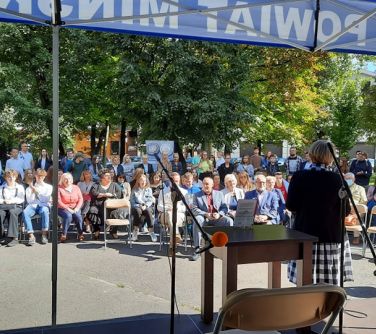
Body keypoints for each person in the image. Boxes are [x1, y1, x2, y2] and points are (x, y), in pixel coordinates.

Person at [286, 140, 353, 285]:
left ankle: (305, 307)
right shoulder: (338, 179)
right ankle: (330, 307)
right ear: (331, 156)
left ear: (311, 154)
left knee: (304, 284)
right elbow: (345, 211)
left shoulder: (299, 177)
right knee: (328, 288)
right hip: (331, 237)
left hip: (305, 234)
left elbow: (291, 206)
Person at [191, 177, 232, 261]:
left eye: (207, 184)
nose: (205, 186)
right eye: (204, 184)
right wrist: (206, 214)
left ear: (212, 185)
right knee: (198, 219)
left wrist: (219, 214)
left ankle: (227, 247)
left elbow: (224, 208)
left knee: (229, 221)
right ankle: (197, 249)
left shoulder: (219, 194)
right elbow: (194, 209)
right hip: (204, 219)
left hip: (216, 219)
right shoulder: (197, 195)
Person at [88, 169, 122, 240]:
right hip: (98, 206)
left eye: (110, 175)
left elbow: (119, 194)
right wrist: (104, 194)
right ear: (102, 177)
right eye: (107, 175)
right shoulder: (96, 185)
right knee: (92, 210)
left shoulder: (114, 185)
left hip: (111, 206)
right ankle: (96, 231)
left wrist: (112, 195)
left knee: (116, 212)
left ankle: (113, 232)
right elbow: (93, 193)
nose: (109, 177)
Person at [23, 169, 52, 245]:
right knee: (25, 212)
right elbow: (29, 201)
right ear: (35, 176)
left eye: (41, 176)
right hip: (33, 205)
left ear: (44, 176)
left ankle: (44, 234)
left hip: (43, 205)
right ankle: (31, 235)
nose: (39, 177)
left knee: (45, 211)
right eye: (37, 175)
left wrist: (36, 191)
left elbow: (45, 199)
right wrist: (33, 192)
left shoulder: (48, 187)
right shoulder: (29, 187)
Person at [157, 172, 187, 248]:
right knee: (170, 214)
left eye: (176, 181)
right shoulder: (162, 191)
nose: (174, 183)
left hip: (179, 215)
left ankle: (172, 245)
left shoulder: (184, 192)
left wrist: (177, 208)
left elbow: (185, 207)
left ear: (179, 181)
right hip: (165, 215)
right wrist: (168, 209)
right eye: (172, 181)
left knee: (172, 215)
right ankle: (176, 234)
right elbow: (159, 206)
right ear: (169, 181)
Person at [0, 170, 25, 247]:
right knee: (0, 213)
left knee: (12, 212)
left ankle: (14, 238)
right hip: (4, 205)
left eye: (13, 176)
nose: (11, 178)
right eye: (9, 177)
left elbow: (21, 199)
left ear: (15, 177)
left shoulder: (20, 187)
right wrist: (4, 201)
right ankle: (1, 235)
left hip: (17, 206)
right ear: (5, 178)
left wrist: (10, 201)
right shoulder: (2, 187)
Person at [58, 172, 84, 242]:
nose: (67, 180)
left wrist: (77, 208)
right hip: (62, 208)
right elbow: (58, 201)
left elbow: (80, 199)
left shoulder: (76, 187)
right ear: (62, 180)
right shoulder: (59, 188)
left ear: (72, 180)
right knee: (68, 215)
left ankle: (80, 233)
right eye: (65, 179)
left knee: (78, 216)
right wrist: (68, 209)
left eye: (69, 179)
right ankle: (64, 234)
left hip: (75, 207)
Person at [130, 174, 157, 242]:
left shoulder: (149, 189)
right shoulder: (134, 189)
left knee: (148, 211)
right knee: (137, 211)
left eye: (144, 181)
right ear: (138, 181)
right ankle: (135, 230)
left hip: (146, 205)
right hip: (137, 205)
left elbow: (150, 200)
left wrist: (146, 206)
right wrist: (139, 206)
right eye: (142, 180)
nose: (143, 182)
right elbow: (132, 201)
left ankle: (151, 231)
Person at [344, 172, 367, 244]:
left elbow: (364, 201)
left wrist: (356, 210)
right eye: (346, 179)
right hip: (344, 209)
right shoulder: (342, 188)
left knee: (356, 215)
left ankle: (356, 237)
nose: (348, 180)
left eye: (350, 179)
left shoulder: (360, 188)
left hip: (357, 209)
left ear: (354, 179)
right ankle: (339, 235)